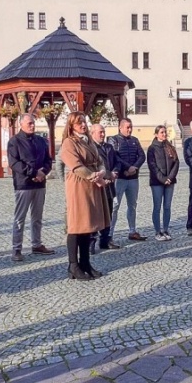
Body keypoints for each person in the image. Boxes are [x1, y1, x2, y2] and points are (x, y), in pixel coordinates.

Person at [61, 112, 112, 279]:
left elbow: (99, 161)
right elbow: (75, 166)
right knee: (77, 225)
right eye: (78, 123)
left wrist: (102, 172)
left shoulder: (89, 140)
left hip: (91, 184)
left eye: (84, 121)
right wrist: (94, 177)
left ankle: (85, 262)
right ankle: (73, 266)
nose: (83, 125)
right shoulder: (69, 142)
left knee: (87, 225)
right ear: (71, 126)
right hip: (78, 185)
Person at [8, 113, 56, 262]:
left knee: (37, 217)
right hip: (24, 184)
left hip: (40, 184)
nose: (32, 125)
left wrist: (43, 173)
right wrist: (33, 173)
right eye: (29, 123)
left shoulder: (41, 141)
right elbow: (14, 163)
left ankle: (36, 244)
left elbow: (48, 160)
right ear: (21, 124)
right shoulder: (14, 142)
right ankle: (17, 248)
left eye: (33, 123)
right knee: (20, 218)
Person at [109, 117, 147, 242]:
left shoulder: (135, 140)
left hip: (133, 178)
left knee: (132, 205)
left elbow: (142, 155)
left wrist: (135, 167)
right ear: (120, 127)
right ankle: (110, 233)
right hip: (119, 178)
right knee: (115, 206)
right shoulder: (113, 140)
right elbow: (115, 157)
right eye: (127, 127)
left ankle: (132, 230)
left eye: (131, 127)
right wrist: (127, 167)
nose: (130, 129)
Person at [88, 123, 121, 252]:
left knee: (108, 214)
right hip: (97, 185)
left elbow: (117, 161)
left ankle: (105, 240)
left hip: (109, 186)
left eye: (103, 132)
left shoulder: (109, 147)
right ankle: (91, 242)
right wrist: (108, 174)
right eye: (100, 132)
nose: (102, 134)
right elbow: (94, 166)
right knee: (95, 215)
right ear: (92, 133)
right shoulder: (91, 148)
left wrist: (115, 172)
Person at [146, 124, 179, 240]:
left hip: (170, 181)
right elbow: (152, 166)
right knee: (157, 206)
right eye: (161, 132)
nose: (164, 134)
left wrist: (170, 177)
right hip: (157, 182)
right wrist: (163, 179)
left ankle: (165, 229)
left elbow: (176, 163)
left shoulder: (170, 146)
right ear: (156, 134)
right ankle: (157, 231)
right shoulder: (152, 148)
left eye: (165, 132)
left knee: (167, 206)